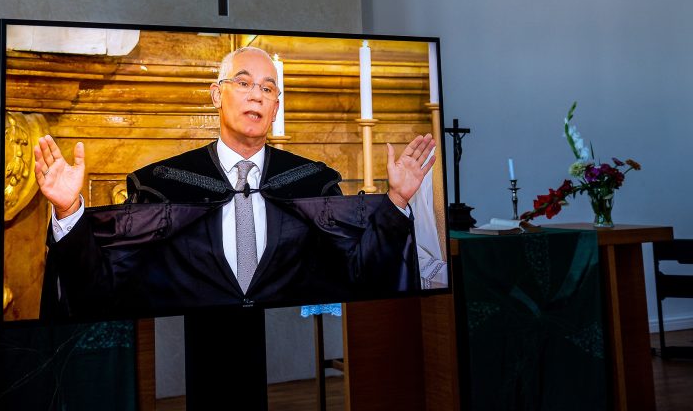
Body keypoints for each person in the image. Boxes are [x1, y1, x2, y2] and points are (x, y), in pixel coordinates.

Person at [36, 46, 437, 318]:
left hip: (284, 341)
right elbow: (106, 287)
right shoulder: (160, 185)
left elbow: (359, 273)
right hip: (193, 344)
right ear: (216, 95)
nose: (256, 95)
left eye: (267, 88)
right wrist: (69, 211)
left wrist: (396, 201)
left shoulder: (314, 183)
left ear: (276, 107)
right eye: (243, 83)